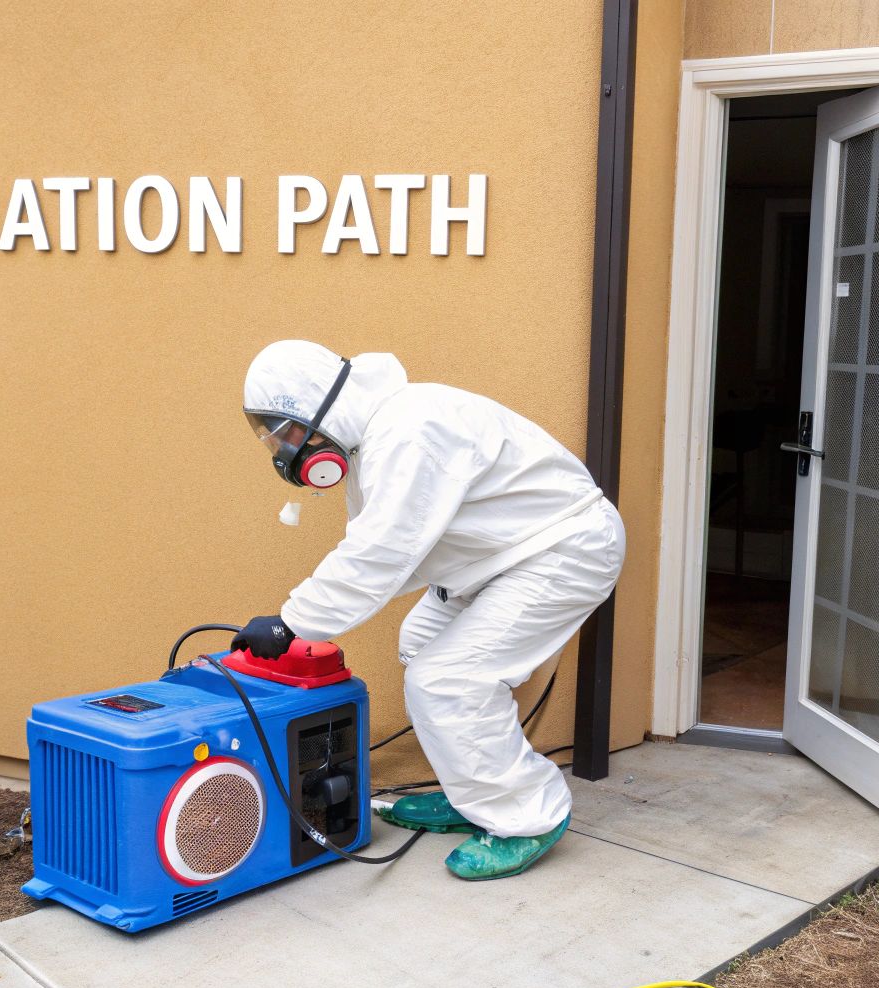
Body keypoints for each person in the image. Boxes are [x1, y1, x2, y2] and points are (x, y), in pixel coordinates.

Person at [231, 339, 625, 881]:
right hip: (495, 560)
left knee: (447, 682)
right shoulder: (374, 439)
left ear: (318, 405)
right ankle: (475, 794)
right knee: (421, 646)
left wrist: (291, 622)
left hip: (560, 550)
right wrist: (304, 616)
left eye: (288, 431)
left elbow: (382, 553)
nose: (286, 449)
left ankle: (527, 816)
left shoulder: (409, 430)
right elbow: (391, 549)